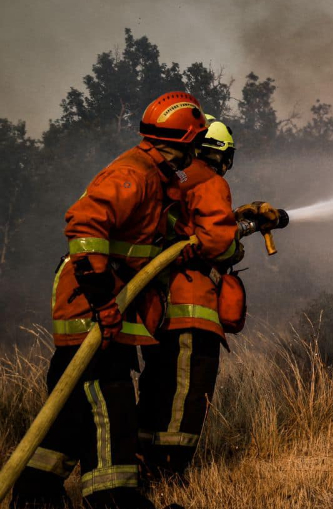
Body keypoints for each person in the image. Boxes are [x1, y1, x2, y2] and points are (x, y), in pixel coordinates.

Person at [11, 92, 207, 509]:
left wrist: (179, 244)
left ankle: (34, 494)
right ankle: (114, 498)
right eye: (197, 143)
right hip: (91, 302)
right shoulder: (132, 174)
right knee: (108, 399)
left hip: (109, 301)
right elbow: (84, 228)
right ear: (188, 141)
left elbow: (144, 234)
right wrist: (102, 300)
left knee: (69, 409)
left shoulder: (157, 177)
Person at [136, 116, 243, 481]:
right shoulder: (209, 180)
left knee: (156, 387)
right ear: (222, 155)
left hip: (156, 309)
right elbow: (220, 244)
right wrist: (236, 248)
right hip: (191, 307)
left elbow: (190, 229)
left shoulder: (173, 179)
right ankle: (168, 469)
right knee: (189, 391)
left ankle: (141, 461)